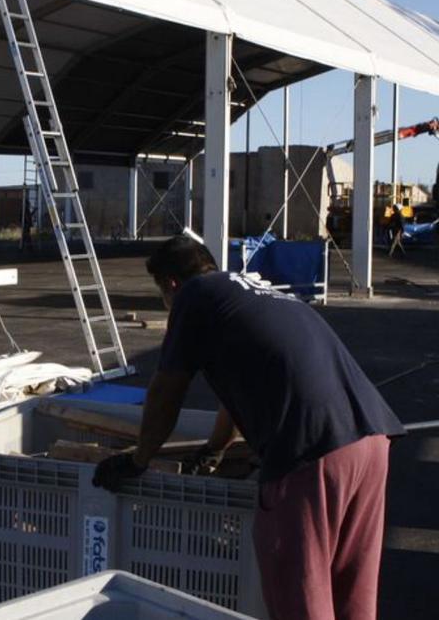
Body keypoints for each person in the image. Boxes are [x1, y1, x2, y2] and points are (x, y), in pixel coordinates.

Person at [93, 236, 405, 620]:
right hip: (370, 440)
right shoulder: (254, 291)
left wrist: (139, 459)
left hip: (308, 452)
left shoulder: (194, 297)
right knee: (352, 594)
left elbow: (166, 390)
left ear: (171, 284)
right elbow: (238, 395)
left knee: (302, 597)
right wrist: (215, 449)